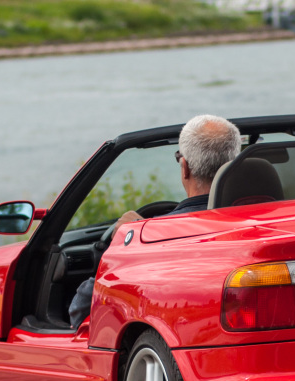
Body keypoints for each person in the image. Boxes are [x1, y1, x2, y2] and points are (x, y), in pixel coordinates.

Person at [67, 114, 241, 327]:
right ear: (235, 166)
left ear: (184, 167)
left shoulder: (150, 240)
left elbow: (79, 311)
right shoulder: (266, 225)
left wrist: (130, 239)